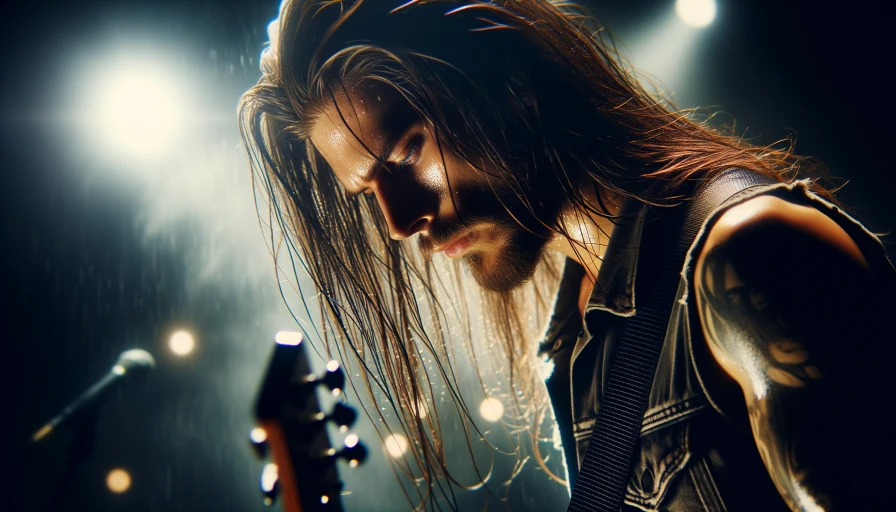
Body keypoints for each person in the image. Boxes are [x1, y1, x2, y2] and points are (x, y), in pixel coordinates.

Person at [239, 0, 896, 509]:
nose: (399, 221)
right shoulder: (573, 341)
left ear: (506, 80)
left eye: (408, 150)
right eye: (366, 192)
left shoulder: (752, 255)